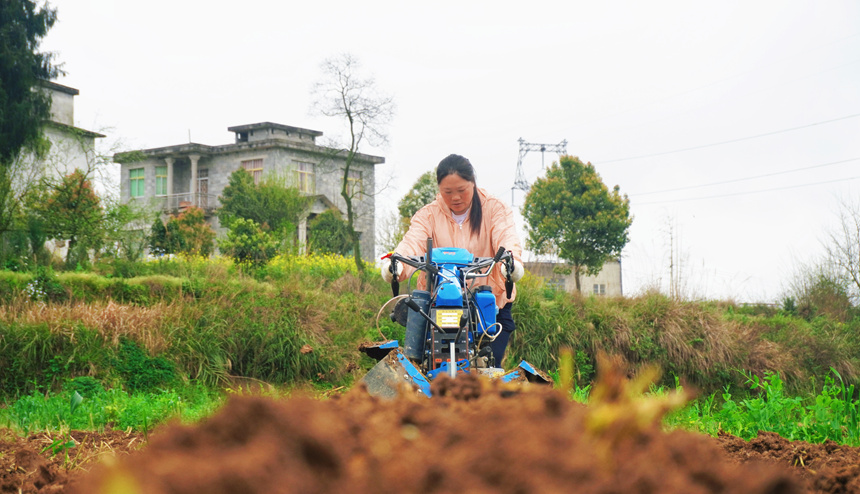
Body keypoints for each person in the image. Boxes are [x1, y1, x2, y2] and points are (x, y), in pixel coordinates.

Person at [381, 154, 525, 365]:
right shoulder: (428, 215)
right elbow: (412, 243)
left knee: (487, 369)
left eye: (461, 190)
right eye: (447, 192)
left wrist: (510, 263)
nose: (455, 198)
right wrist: (397, 265)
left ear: (473, 183)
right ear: (439, 189)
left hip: (486, 307)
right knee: (421, 366)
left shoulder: (495, 209)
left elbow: (506, 237)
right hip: (436, 308)